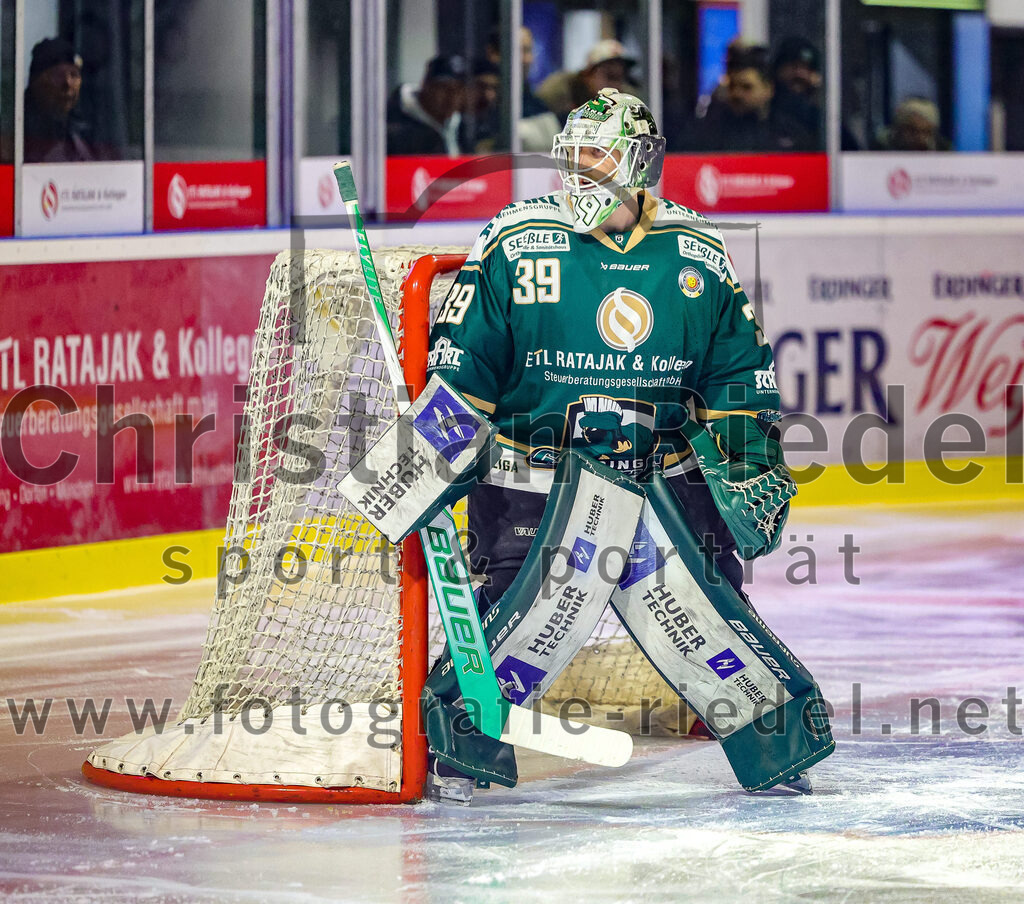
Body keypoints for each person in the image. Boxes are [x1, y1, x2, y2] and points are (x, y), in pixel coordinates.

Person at [424, 89, 794, 801]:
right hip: (536, 479)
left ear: (640, 160)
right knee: (507, 616)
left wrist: (747, 457)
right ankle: (463, 752)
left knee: (719, 613)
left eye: (597, 154)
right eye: (571, 155)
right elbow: (463, 362)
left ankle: (773, 746)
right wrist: (428, 461)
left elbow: (737, 373)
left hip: (666, 483)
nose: (579, 171)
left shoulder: (696, 248)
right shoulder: (514, 236)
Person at [688, 45, 812, 151]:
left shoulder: (789, 134)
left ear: (768, 89)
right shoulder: (709, 132)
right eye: (732, 86)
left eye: (746, 87)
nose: (737, 94)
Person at [23, 37, 98, 163]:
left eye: (74, 75)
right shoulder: (15, 130)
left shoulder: (86, 132)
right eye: (57, 75)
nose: (67, 84)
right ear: (36, 82)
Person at [537, 39, 640, 123]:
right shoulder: (558, 94)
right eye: (610, 76)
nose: (615, 86)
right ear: (588, 75)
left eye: (620, 78)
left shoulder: (629, 104)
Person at [386, 54, 468, 156]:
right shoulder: (394, 126)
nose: (452, 97)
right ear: (426, 86)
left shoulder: (464, 125)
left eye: (459, 90)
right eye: (444, 88)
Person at [874, 97, 950, 151]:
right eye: (912, 130)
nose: (920, 138)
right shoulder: (877, 150)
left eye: (926, 132)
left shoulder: (945, 152)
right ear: (898, 129)